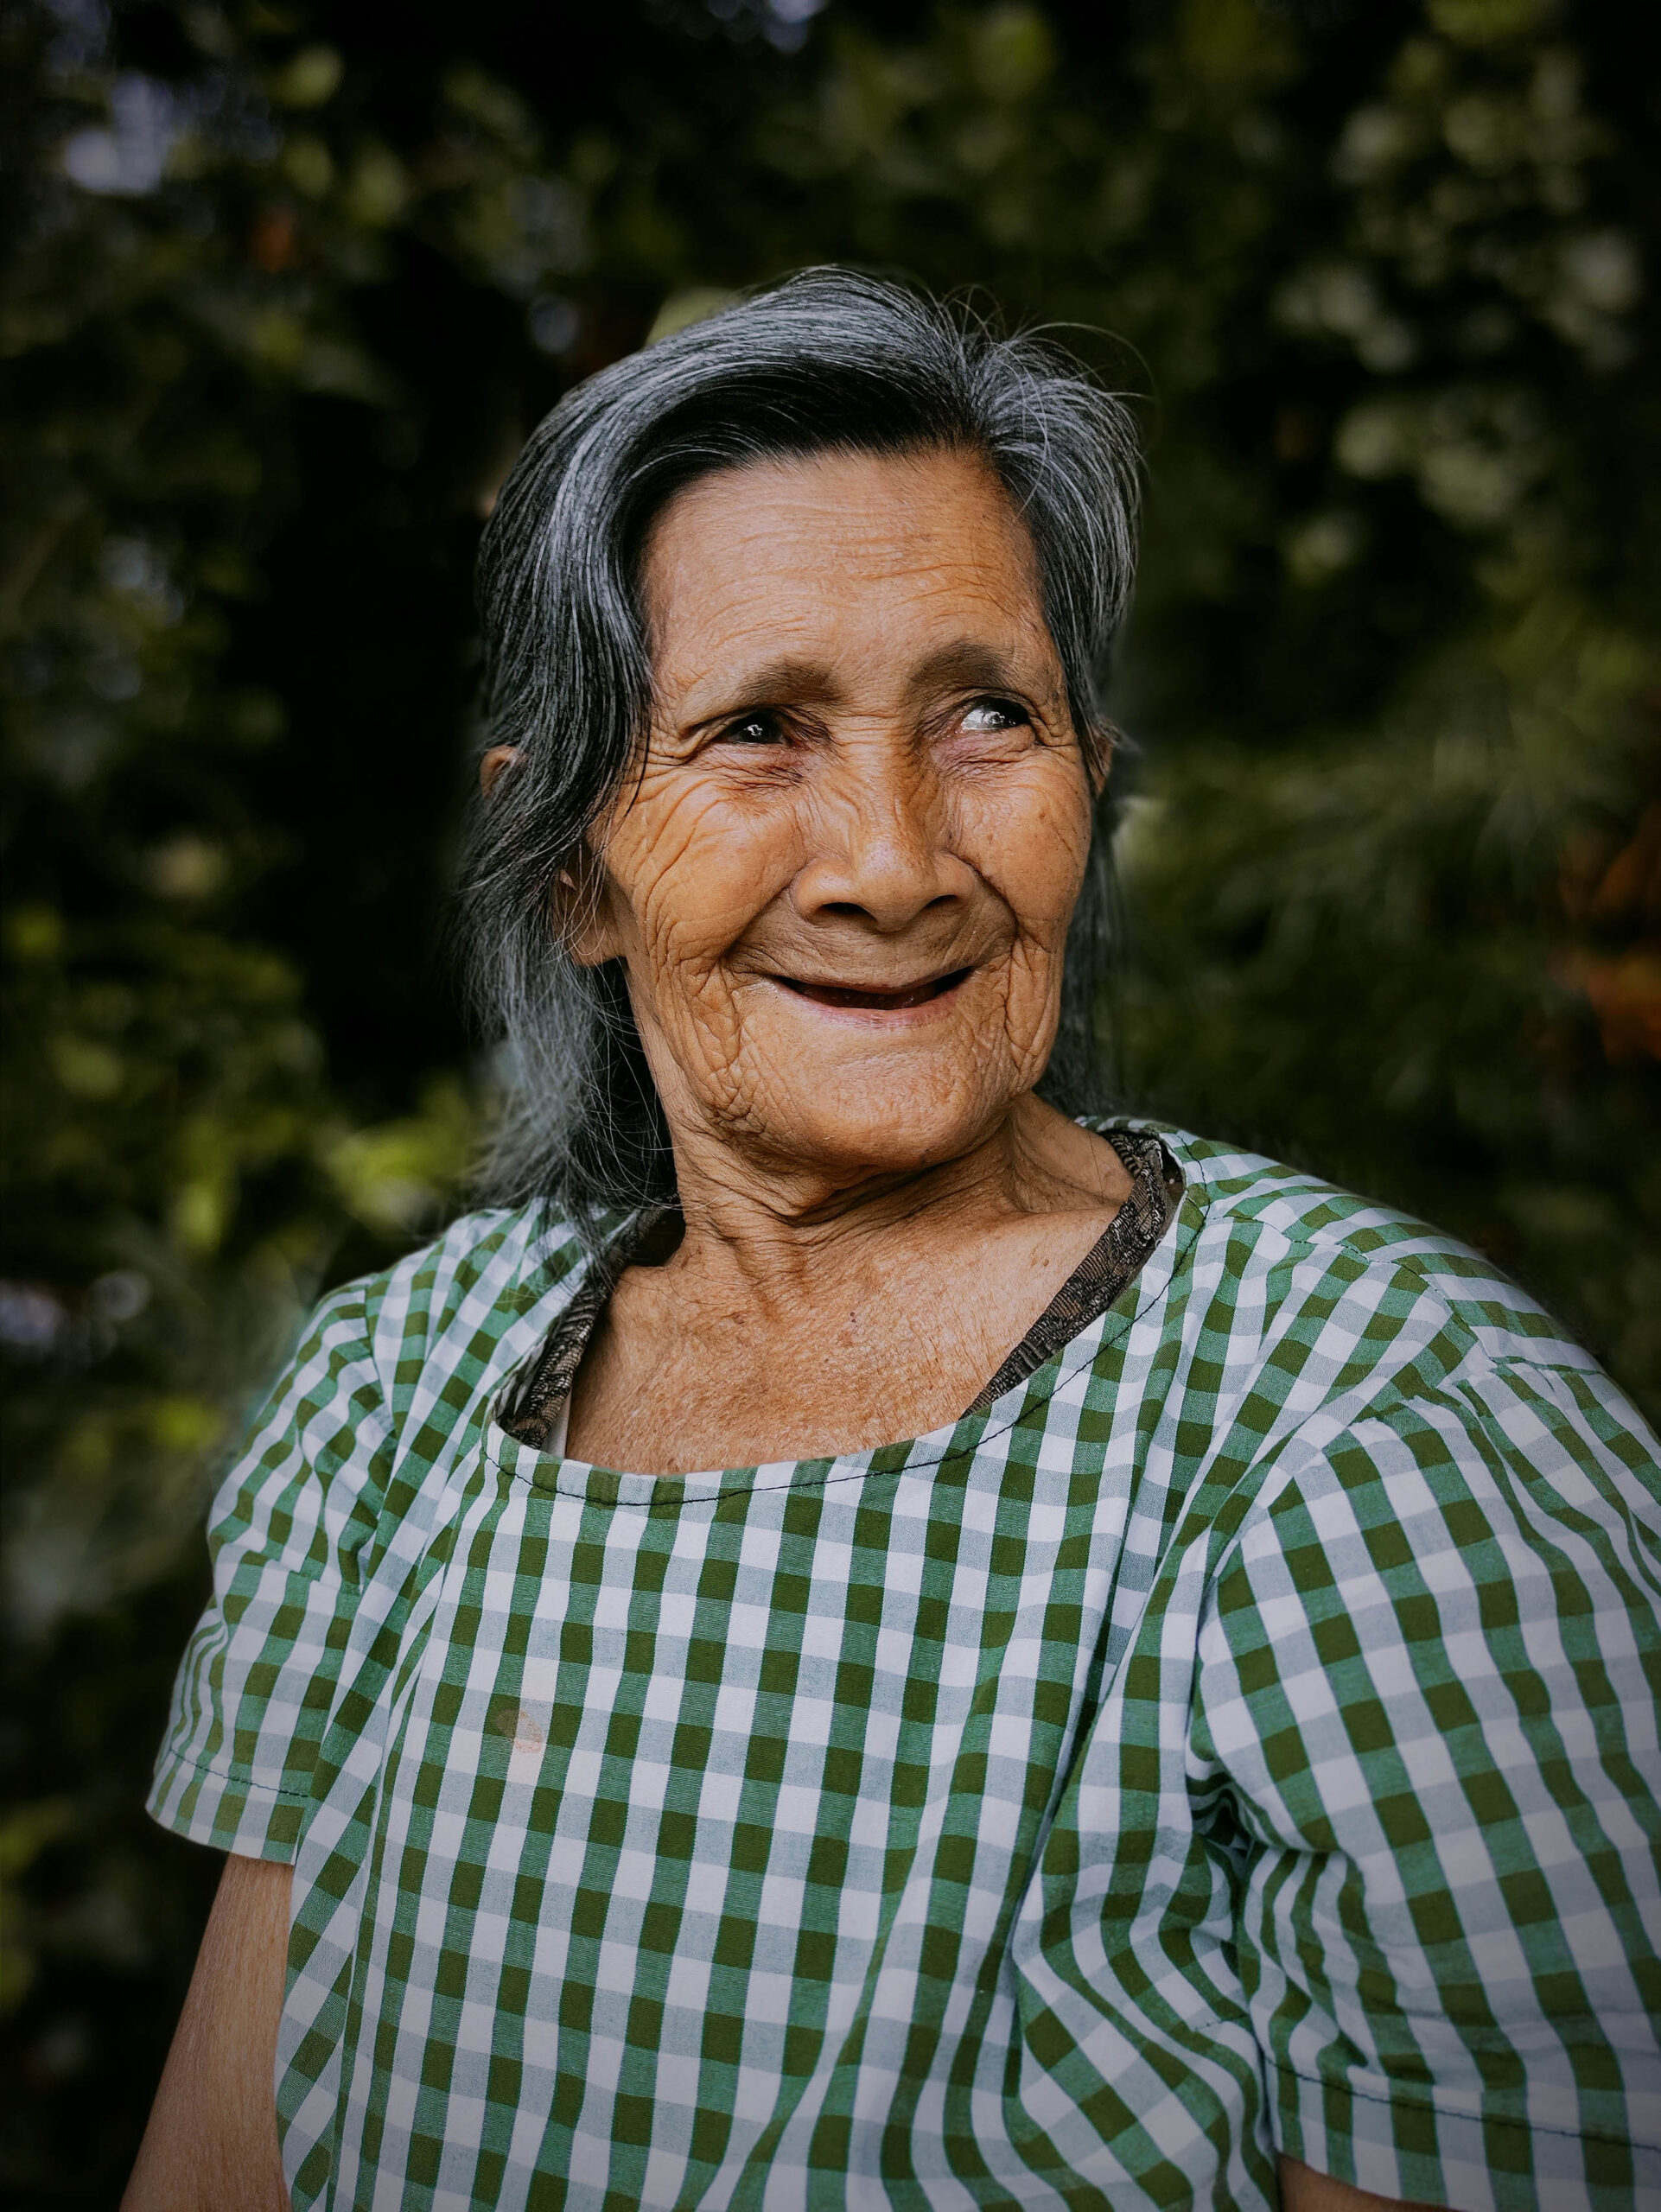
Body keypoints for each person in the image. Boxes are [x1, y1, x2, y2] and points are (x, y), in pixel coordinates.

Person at [124, 271, 1660, 2212]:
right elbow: (212, 2167)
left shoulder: (1378, 1435)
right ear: (578, 863)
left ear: (1090, 780)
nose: (890, 859)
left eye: (984, 714)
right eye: (758, 729)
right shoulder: (395, 1389)